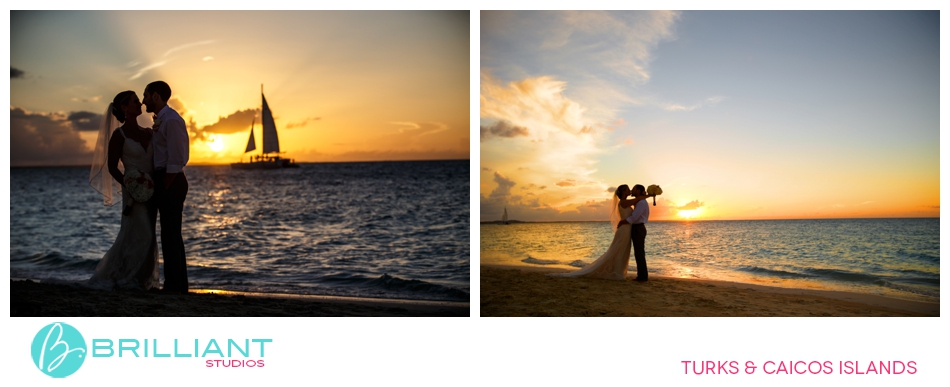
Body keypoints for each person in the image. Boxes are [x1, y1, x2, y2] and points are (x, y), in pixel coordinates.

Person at [88, 91, 159, 290]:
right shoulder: (119, 135)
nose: (139, 104)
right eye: (135, 101)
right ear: (124, 108)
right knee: (140, 233)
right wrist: (130, 186)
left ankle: (143, 279)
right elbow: (111, 167)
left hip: (151, 190)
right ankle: (129, 277)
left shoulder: (148, 132)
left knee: (150, 234)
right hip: (133, 191)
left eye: (139, 101)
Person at [143, 80, 190, 294]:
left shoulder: (171, 120)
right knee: (170, 235)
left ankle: (174, 286)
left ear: (155, 96)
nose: (143, 100)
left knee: (171, 235)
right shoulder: (162, 120)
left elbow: (177, 158)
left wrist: (164, 185)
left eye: (146, 95)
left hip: (171, 180)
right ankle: (177, 285)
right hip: (165, 179)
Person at [552, 185, 652, 280]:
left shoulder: (632, 202)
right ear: (622, 192)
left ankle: (622, 272)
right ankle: (619, 271)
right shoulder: (623, 202)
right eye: (627, 189)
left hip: (628, 230)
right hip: (625, 230)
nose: (630, 190)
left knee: (623, 251)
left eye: (632, 189)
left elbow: (638, 202)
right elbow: (637, 202)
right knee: (619, 250)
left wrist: (647, 194)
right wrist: (650, 195)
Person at [617, 184, 651, 282]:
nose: (632, 190)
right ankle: (641, 275)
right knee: (638, 252)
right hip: (635, 228)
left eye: (634, 189)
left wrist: (622, 221)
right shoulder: (637, 201)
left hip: (638, 228)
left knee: (639, 252)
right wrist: (649, 195)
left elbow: (633, 218)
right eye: (629, 189)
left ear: (639, 191)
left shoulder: (640, 203)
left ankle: (642, 276)